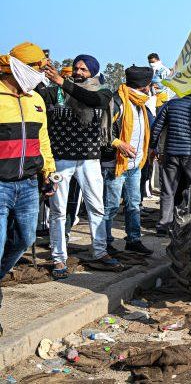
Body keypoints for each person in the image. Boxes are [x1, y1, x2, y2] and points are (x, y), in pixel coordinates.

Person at [39, 54, 121, 275]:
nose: (78, 73)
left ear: (92, 72)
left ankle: (100, 251)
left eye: (84, 69)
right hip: (61, 159)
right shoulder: (54, 92)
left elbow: (95, 102)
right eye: (76, 68)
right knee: (58, 211)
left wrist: (63, 82)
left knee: (97, 207)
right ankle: (59, 258)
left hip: (89, 159)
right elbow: (35, 94)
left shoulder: (102, 91)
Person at [0, 43, 56, 335]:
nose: (41, 73)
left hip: (29, 185)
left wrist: (49, 173)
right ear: (18, 67)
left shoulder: (36, 100)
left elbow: (42, 141)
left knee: (24, 239)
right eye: (37, 67)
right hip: (0, 185)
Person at [100, 66, 154, 256]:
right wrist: (119, 144)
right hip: (116, 164)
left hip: (134, 165)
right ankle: (105, 243)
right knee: (111, 206)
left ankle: (133, 239)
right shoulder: (117, 102)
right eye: (149, 85)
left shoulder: (141, 105)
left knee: (134, 205)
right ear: (145, 86)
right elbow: (101, 131)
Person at [149, 89, 191, 234]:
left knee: (168, 190)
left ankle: (163, 225)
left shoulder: (170, 105)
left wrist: (153, 146)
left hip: (171, 153)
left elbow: (157, 127)